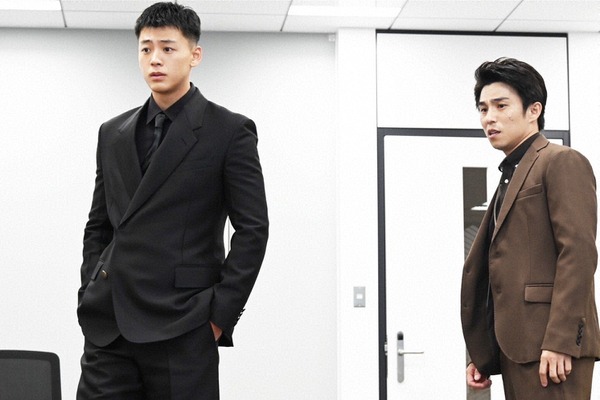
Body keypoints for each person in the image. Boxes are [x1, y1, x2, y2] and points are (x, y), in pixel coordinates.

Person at [76, 2, 269, 399]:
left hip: (183, 323)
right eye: (146, 49)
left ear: (194, 55)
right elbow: (99, 224)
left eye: (167, 48)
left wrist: (219, 315)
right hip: (109, 323)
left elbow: (253, 230)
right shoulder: (112, 132)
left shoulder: (229, 130)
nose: (155, 59)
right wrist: (90, 287)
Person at [460, 57, 600, 399]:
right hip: (517, 349)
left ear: (533, 110)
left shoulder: (560, 161)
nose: (488, 117)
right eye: (483, 109)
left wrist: (560, 340)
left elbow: (578, 254)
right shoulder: (511, 175)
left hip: (551, 350)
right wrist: (484, 352)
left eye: (501, 105)